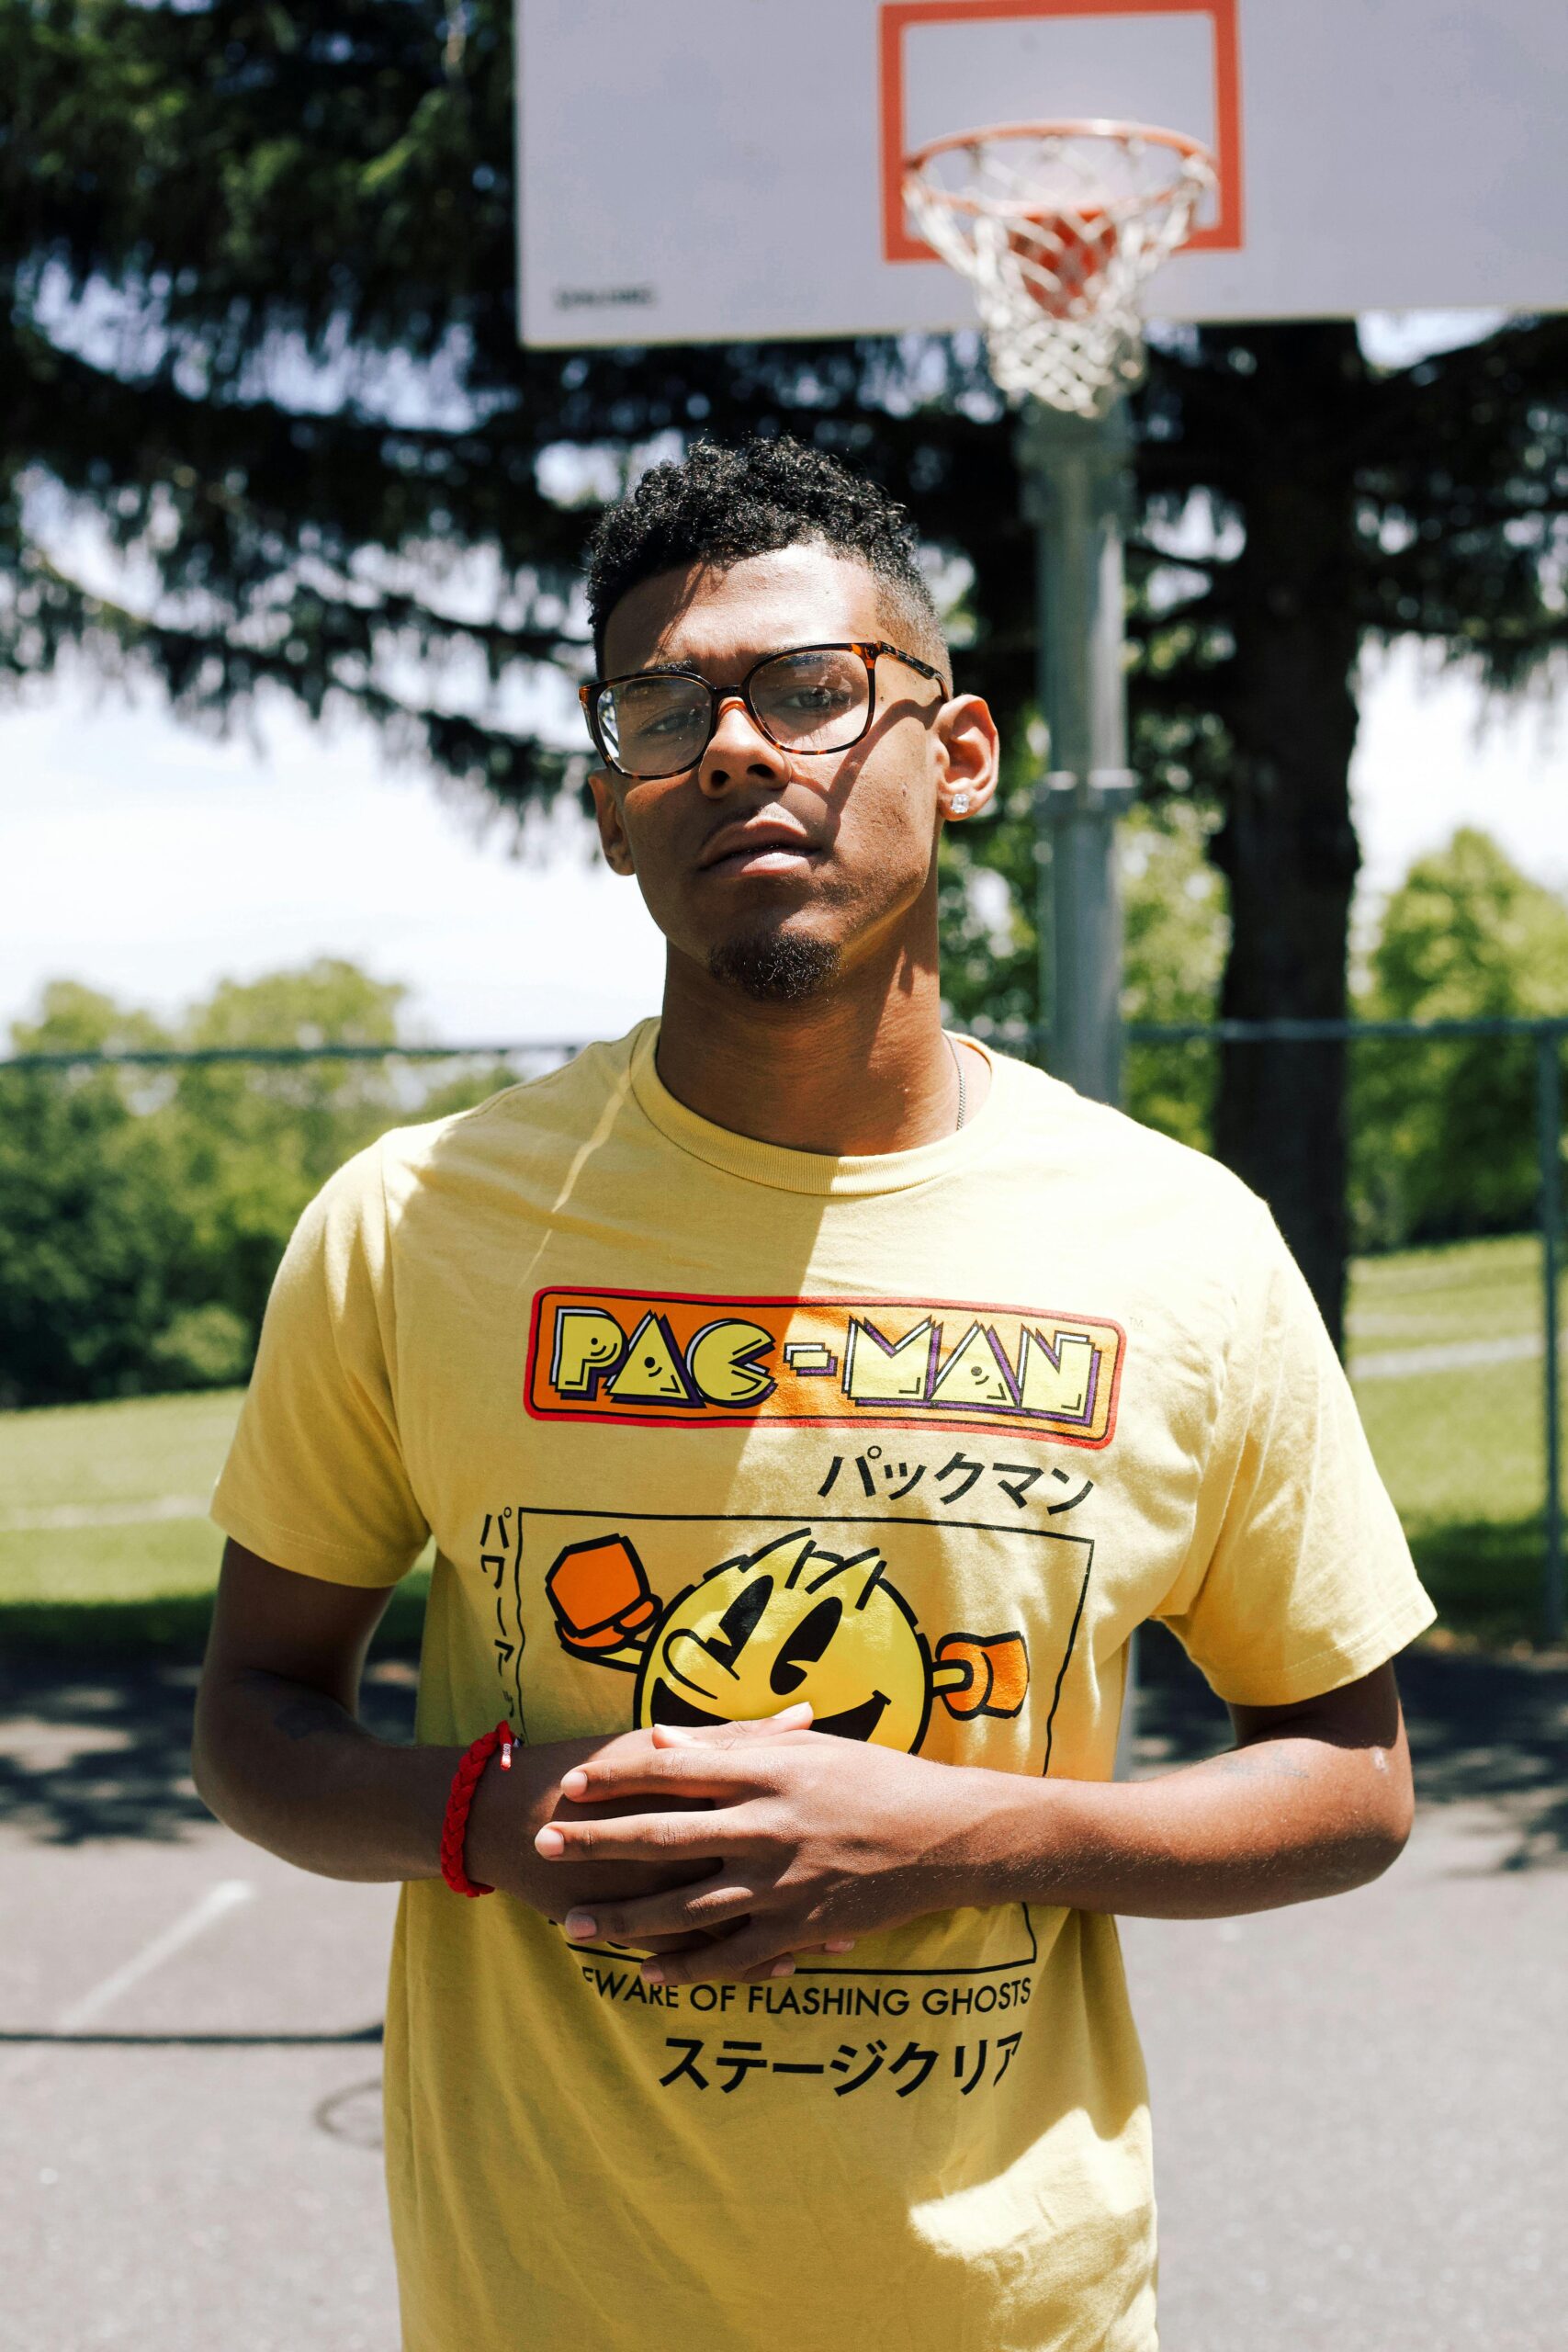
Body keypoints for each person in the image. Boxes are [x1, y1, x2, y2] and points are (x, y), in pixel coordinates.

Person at [194, 435, 1433, 2352]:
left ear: (961, 752)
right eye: (661, 709)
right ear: (612, 807)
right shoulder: (415, 1223)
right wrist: (478, 1816)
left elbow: (1348, 1782)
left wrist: (948, 1832)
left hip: (1016, 2313)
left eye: (806, 686)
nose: (737, 747)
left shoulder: (1175, 1244)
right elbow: (255, 1715)